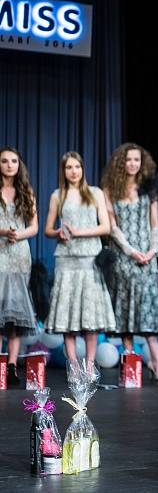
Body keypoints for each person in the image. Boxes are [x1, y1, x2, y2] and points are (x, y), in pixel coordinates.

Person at [101, 143, 158, 380]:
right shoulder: (110, 188)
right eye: (128, 159)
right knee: (125, 311)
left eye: (136, 160)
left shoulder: (150, 187)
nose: (132, 164)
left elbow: (155, 224)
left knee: (149, 311)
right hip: (123, 256)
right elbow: (112, 227)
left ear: (142, 162)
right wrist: (131, 252)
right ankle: (130, 363)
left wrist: (152, 251)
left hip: (146, 257)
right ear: (121, 162)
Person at [44, 151, 116, 367]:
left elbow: (106, 226)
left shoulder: (95, 193)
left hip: (89, 259)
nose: (73, 171)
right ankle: (74, 365)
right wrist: (58, 232)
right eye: (69, 167)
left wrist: (79, 231)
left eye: (77, 167)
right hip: (66, 259)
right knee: (68, 315)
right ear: (63, 171)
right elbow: (47, 229)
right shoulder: (58, 195)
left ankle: (90, 363)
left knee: (90, 314)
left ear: (83, 169)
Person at [0, 148, 39, 386]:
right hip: (0, 252)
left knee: (15, 315)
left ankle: (12, 366)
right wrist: (4, 232)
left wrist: (18, 235)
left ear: (19, 165)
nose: (9, 165)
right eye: (4, 161)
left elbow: (34, 227)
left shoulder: (26, 191)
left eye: (13, 161)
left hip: (20, 254)